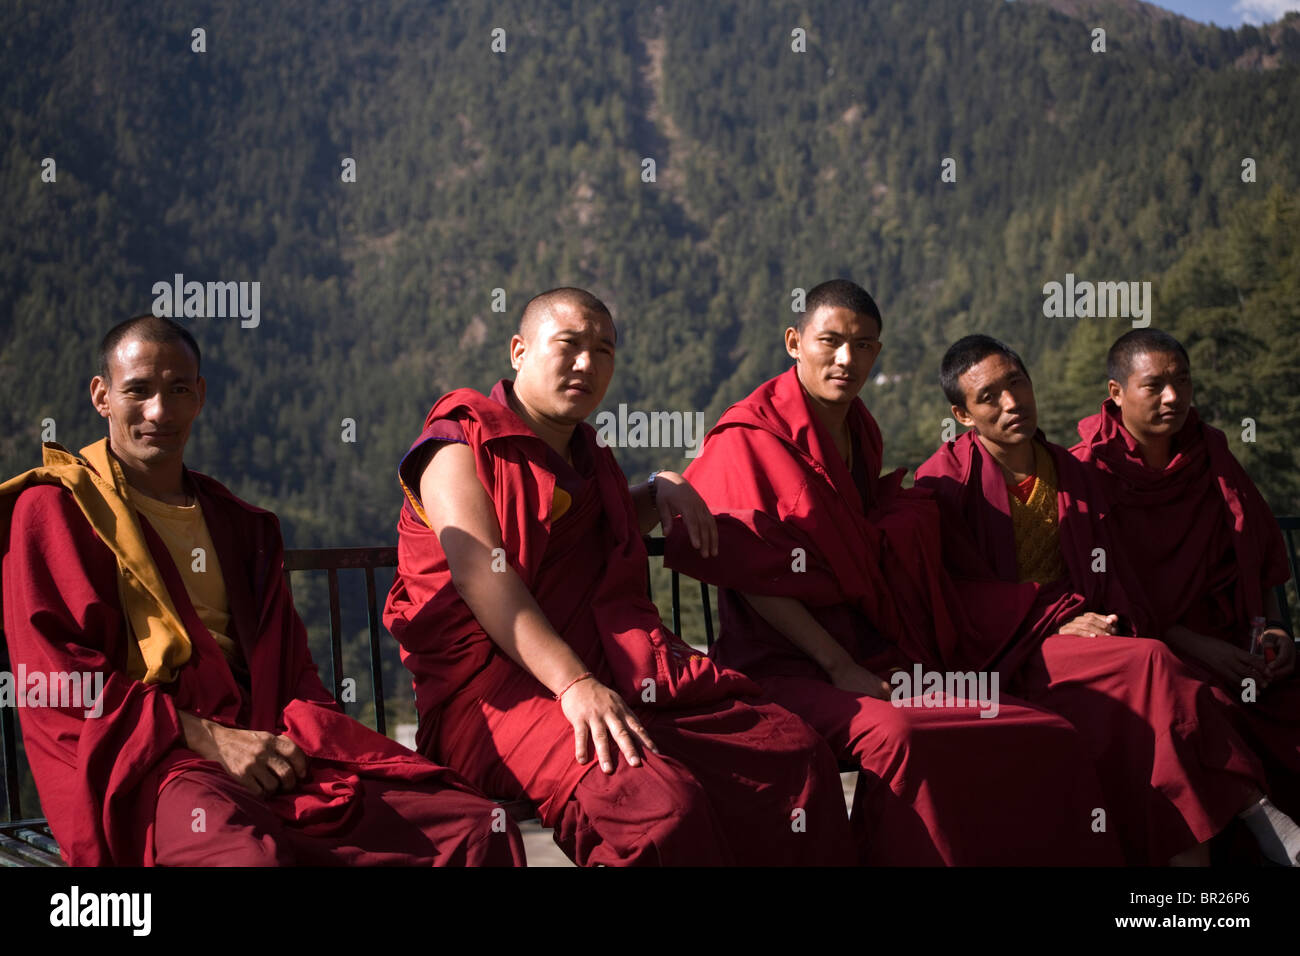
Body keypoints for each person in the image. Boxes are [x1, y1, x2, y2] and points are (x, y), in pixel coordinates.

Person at [0, 315, 524, 866]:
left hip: (267, 741)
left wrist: (306, 743)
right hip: (158, 765)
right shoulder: (56, 512)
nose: (160, 411)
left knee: (474, 827)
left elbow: (292, 668)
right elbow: (58, 683)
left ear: (199, 396)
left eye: (179, 389)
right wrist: (209, 738)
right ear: (101, 396)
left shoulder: (238, 526)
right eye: (138, 391)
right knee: (245, 861)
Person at [383, 287, 854, 866]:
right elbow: (486, 575)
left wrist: (658, 487)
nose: (587, 364)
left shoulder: (588, 458)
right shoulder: (457, 444)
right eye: (570, 345)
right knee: (660, 810)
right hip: (494, 700)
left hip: (608, 673)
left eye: (604, 351)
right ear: (518, 351)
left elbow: (588, 524)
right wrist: (574, 685)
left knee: (790, 753)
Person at [664, 280, 1120, 865]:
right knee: (902, 736)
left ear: (878, 353)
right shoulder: (751, 433)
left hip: (872, 654)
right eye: (830, 342)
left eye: (863, 346)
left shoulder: (860, 429)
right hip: (783, 668)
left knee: (1033, 724)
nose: (846, 360)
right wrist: (840, 666)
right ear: (794, 342)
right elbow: (753, 577)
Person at [915, 333, 1289, 865]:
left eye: (1016, 383)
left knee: (1155, 703)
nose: (1012, 402)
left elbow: (1111, 568)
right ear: (963, 414)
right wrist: (1055, 621)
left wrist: (1106, 616)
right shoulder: (946, 484)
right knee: (1156, 661)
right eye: (989, 396)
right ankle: (1253, 809)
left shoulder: (1072, 471)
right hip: (1013, 650)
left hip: (1090, 640)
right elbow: (956, 595)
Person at [1070, 328, 1300, 865]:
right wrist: (1194, 644)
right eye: (1154, 386)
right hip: (1158, 650)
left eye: (1182, 381)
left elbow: (1258, 551)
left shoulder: (1211, 454)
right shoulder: (1087, 472)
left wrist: (1273, 628)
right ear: (1116, 391)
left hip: (1234, 641)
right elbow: (1105, 593)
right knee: (1201, 706)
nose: (1173, 397)